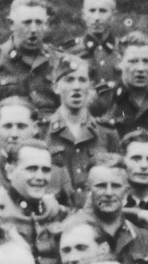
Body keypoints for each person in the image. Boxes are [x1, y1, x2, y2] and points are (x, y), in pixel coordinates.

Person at [0, 0, 63, 128]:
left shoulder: (59, 61)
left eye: (39, 22)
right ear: (11, 24)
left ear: (47, 24)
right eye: (26, 22)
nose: (33, 29)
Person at [81, 157, 148, 264]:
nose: (108, 193)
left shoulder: (146, 239)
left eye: (116, 186)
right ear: (88, 190)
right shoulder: (74, 238)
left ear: (126, 191)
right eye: (101, 186)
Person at [45, 57, 120, 197]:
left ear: (90, 86)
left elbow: (117, 178)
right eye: (69, 80)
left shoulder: (107, 132)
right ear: (55, 87)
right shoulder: (44, 131)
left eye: (82, 80)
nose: (77, 87)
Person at [60, 0, 122, 93]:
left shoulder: (125, 50)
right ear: (84, 15)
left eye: (103, 11)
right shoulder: (68, 52)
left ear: (113, 16)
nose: (97, 17)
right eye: (92, 11)